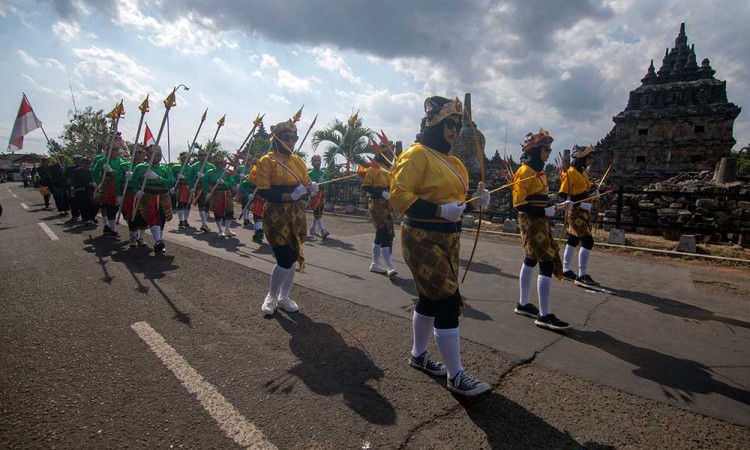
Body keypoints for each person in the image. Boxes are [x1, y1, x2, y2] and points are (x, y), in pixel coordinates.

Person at [390, 96, 491, 397]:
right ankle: (455, 375)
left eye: (457, 125)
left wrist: (475, 204)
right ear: (434, 122)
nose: (454, 129)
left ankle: (418, 354)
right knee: (447, 298)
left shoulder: (455, 162)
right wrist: (438, 211)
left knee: (430, 298)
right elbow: (398, 196)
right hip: (421, 236)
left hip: (449, 238)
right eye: (449, 123)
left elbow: (455, 205)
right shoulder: (415, 155)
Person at [511, 129, 571, 331]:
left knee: (531, 259)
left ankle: (523, 303)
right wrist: (545, 211)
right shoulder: (525, 172)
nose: (548, 153)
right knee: (545, 263)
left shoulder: (540, 173)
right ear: (536, 151)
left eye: (549, 149)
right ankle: (544, 315)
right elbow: (519, 204)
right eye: (546, 149)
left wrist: (558, 207)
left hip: (540, 221)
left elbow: (541, 201)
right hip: (530, 222)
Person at [256, 119, 317, 316]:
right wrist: (290, 195)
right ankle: (272, 295)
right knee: (284, 257)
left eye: (294, 138)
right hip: (276, 214)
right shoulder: (267, 161)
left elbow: (304, 187)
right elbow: (264, 191)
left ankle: (284, 296)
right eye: (286, 138)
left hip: (296, 214)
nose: (291, 141)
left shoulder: (298, 161)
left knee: (292, 257)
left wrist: (310, 189)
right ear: (277, 138)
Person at [558, 145, 600, 287]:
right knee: (588, 241)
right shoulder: (571, 173)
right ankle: (581, 276)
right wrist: (577, 204)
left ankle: (566, 270)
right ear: (582, 158)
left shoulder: (583, 173)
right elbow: (562, 195)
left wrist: (593, 194)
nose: (591, 161)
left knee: (573, 239)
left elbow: (584, 191)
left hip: (584, 211)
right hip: (575, 212)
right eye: (589, 158)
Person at [131, 145, 174, 254]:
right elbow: (133, 182)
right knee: (153, 217)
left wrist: (157, 178)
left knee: (162, 218)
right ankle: (158, 241)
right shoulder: (140, 167)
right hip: (148, 195)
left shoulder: (166, 168)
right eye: (155, 154)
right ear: (148, 155)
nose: (158, 157)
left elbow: (171, 182)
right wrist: (137, 191)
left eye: (159, 154)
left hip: (163, 196)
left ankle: (159, 241)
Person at [362, 151, 397, 277]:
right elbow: (366, 186)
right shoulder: (374, 169)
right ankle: (390, 266)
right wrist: (381, 193)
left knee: (382, 232)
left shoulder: (389, 169)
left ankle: (375, 263)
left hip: (387, 203)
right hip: (377, 204)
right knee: (384, 231)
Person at [117, 146, 148, 247]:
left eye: (140, 152)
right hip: (130, 193)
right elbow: (118, 182)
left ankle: (142, 237)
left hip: (144, 194)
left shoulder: (147, 166)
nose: (138, 154)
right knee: (132, 215)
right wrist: (118, 195)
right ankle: (133, 236)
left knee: (144, 215)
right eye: (136, 152)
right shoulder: (124, 166)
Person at [92, 144, 124, 238]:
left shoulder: (120, 161)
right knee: (104, 205)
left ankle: (111, 226)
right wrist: (97, 183)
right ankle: (107, 225)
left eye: (113, 150)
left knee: (113, 206)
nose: (111, 152)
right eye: (109, 150)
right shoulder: (102, 161)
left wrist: (112, 171)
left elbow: (121, 175)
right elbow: (94, 172)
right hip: (104, 184)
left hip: (116, 185)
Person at [203, 155, 238, 237]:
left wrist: (224, 182)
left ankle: (227, 229)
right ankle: (220, 230)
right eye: (217, 162)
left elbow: (232, 183)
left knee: (230, 211)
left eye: (221, 162)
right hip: (216, 193)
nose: (219, 164)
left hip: (226, 193)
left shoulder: (228, 172)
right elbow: (204, 183)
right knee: (217, 212)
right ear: (214, 163)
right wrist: (206, 193)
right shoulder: (209, 172)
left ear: (224, 163)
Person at [188, 150, 215, 233]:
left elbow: (214, 178)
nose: (202, 156)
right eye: (200, 155)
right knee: (201, 205)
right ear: (198, 156)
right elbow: (189, 178)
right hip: (199, 187)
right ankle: (203, 224)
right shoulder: (194, 166)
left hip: (209, 188)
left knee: (207, 206)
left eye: (204, 155)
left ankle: (205, 223)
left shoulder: (212, 166)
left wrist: (206, 176)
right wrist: (191, 187)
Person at [307, 154, 329, 238]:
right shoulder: (309, 174)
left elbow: (326, 185)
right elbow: (308, 184)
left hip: (322, 195)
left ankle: (312, 229)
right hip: (314, 195)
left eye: (319, 161)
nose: (317, 163)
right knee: (317, 213)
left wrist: (323, 182)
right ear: (312, 163)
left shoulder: (323, 173)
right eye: (315, 161)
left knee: (319, 213)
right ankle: (323, 230)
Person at [71, 158, 98, 224]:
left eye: (89, 163)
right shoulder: (77, 171)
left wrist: (95, 184)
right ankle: (86, 219)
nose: (87, 165)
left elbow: (97, 179)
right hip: (82, 191)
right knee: (85, 206)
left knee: (95, 205)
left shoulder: (93, 171)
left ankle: (92, 217)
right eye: (85, 163)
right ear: (82, 163)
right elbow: (74, 181)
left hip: (92, 191)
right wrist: (79, 186)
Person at [171, 152, 193, 229]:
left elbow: (193, 178)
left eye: (189, 158)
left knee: (187, 204)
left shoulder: (191, 168)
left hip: (188, 187)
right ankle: (181, 220)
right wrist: (172, 185)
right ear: (181, 158)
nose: (187, 159)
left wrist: (192, 187)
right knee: (180, 203)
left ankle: (186, 219)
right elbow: (171, 177)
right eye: (185, 157)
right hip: (179, 186)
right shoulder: (175, 167)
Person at [66, 155, 84, 220]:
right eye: (76, 160)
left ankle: (83, 214)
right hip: (73, 187)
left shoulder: (84, 167)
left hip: (82, 187)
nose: (77, 161)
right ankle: (75, 214)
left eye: (79, 160)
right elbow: (66, 176)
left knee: (82, 201)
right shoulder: (70, 168)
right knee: (73, 200)